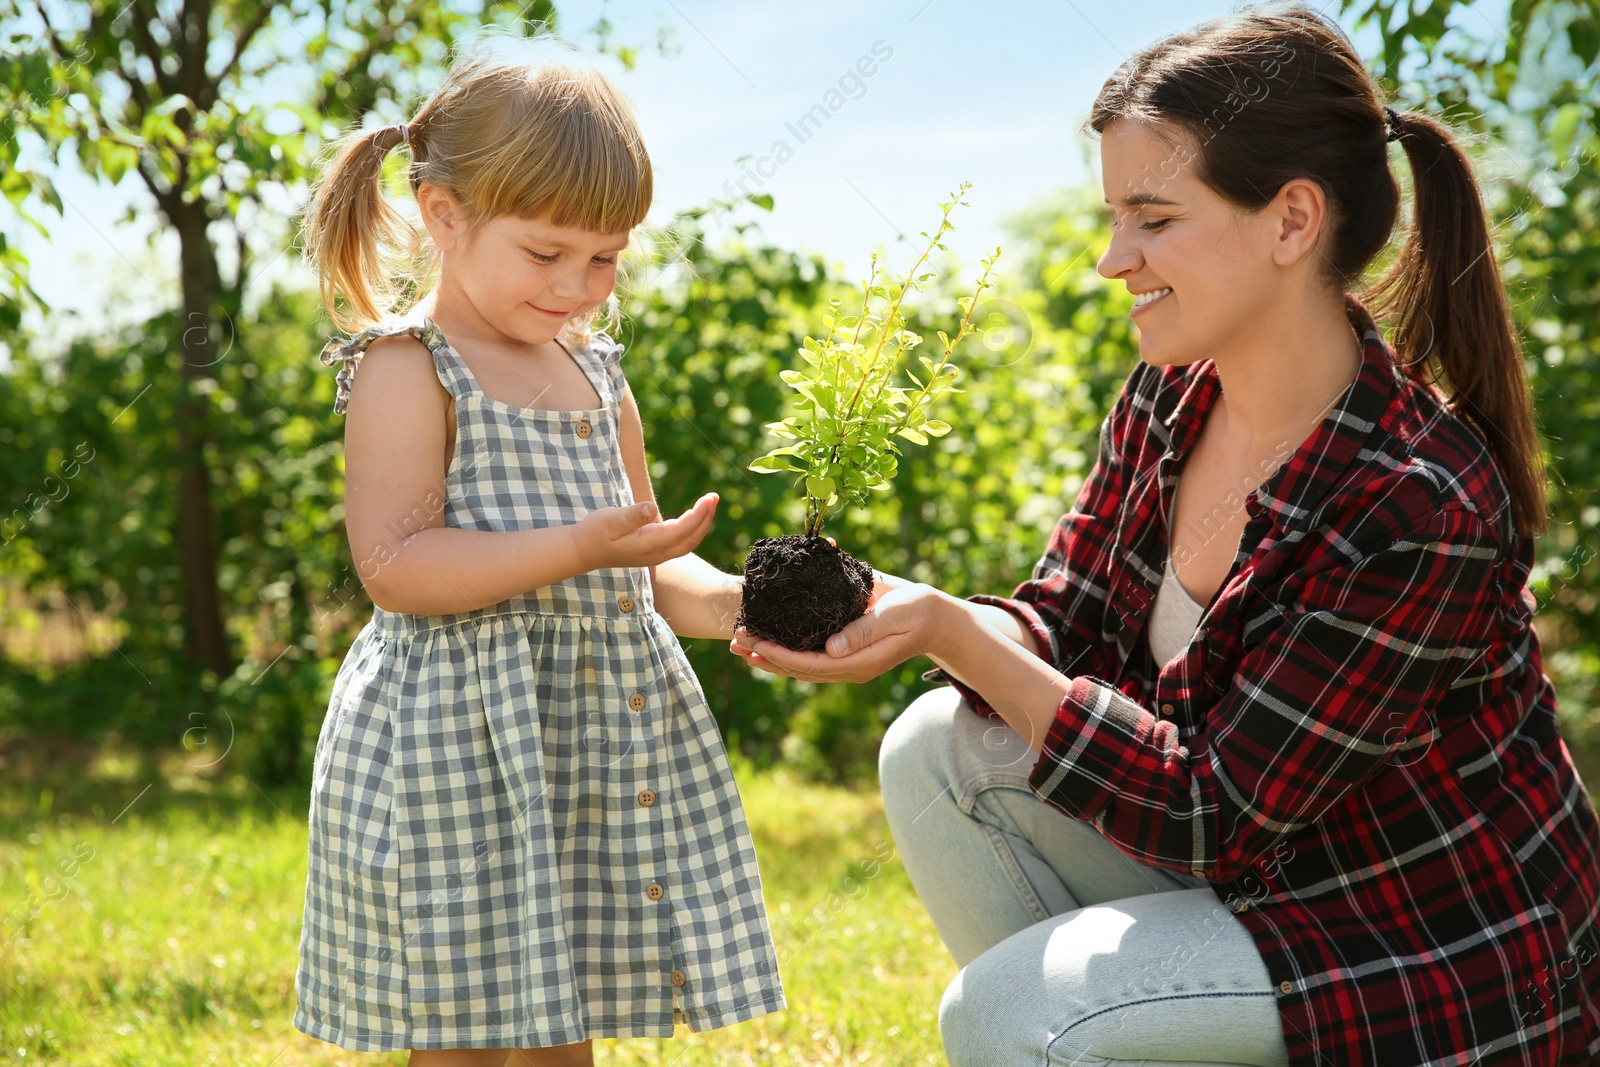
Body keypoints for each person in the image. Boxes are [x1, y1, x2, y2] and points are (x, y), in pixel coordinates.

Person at [731, 7, 1600, 1066]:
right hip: (1254, 882)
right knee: (936, 747)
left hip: (1418, 939)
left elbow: (1211, 809)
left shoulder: (1417, 504)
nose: (1110, 259)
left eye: (1151, 217)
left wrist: (951, 636)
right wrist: (910, 617)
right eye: (1113, 216)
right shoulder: (1168, 399)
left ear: (1290, 222)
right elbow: (1068, 620)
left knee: (1009, 1011)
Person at [294, 47, 783, 1066]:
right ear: (444, 216)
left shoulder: (596, 374)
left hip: (584, 741)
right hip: (456, 749)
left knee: (565, 1024)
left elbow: (642, 568)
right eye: (548, 251)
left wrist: (743, 600)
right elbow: (396, 564)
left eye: (605, 257)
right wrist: (572, 546)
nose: (579, 285)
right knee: (463, 1033)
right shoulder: (408, 366)